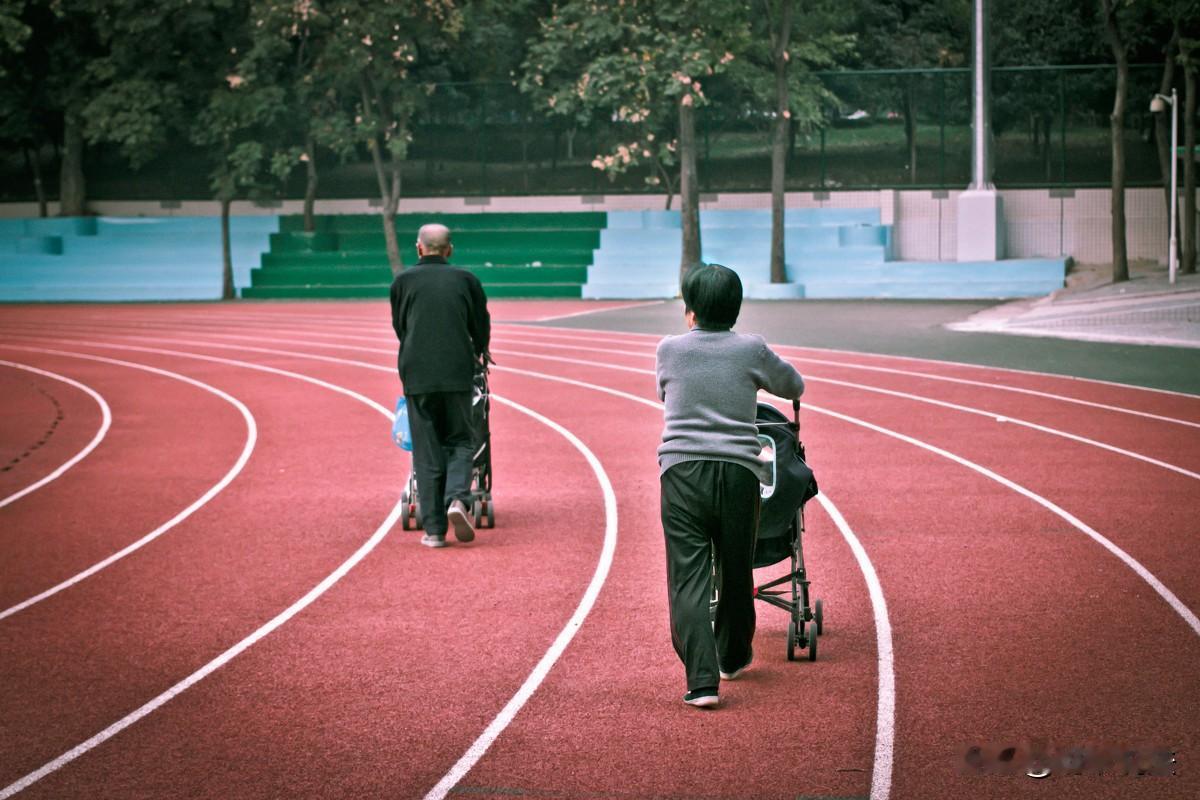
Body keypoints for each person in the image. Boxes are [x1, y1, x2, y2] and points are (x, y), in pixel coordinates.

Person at [655, 263, 805, 708]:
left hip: (681, 472)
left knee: (688, 578)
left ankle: (701, 681)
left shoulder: (669, 349)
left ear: (690, 312)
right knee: (736, 568)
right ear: (737, 310)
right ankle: (733, 656)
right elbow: (793, 385)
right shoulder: (751, 349)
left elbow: (663, 394)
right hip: (740, 472)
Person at [390, 223, 491, 548]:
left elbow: (400, 326)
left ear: (419, 248)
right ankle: (458, 500)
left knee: (427, 448)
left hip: (417, 374)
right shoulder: (466, 280)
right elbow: (480, 325)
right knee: (461, 440)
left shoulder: (402, 282)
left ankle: (434, 532)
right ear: (449, 250)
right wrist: (479, 351)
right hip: (457, 371)